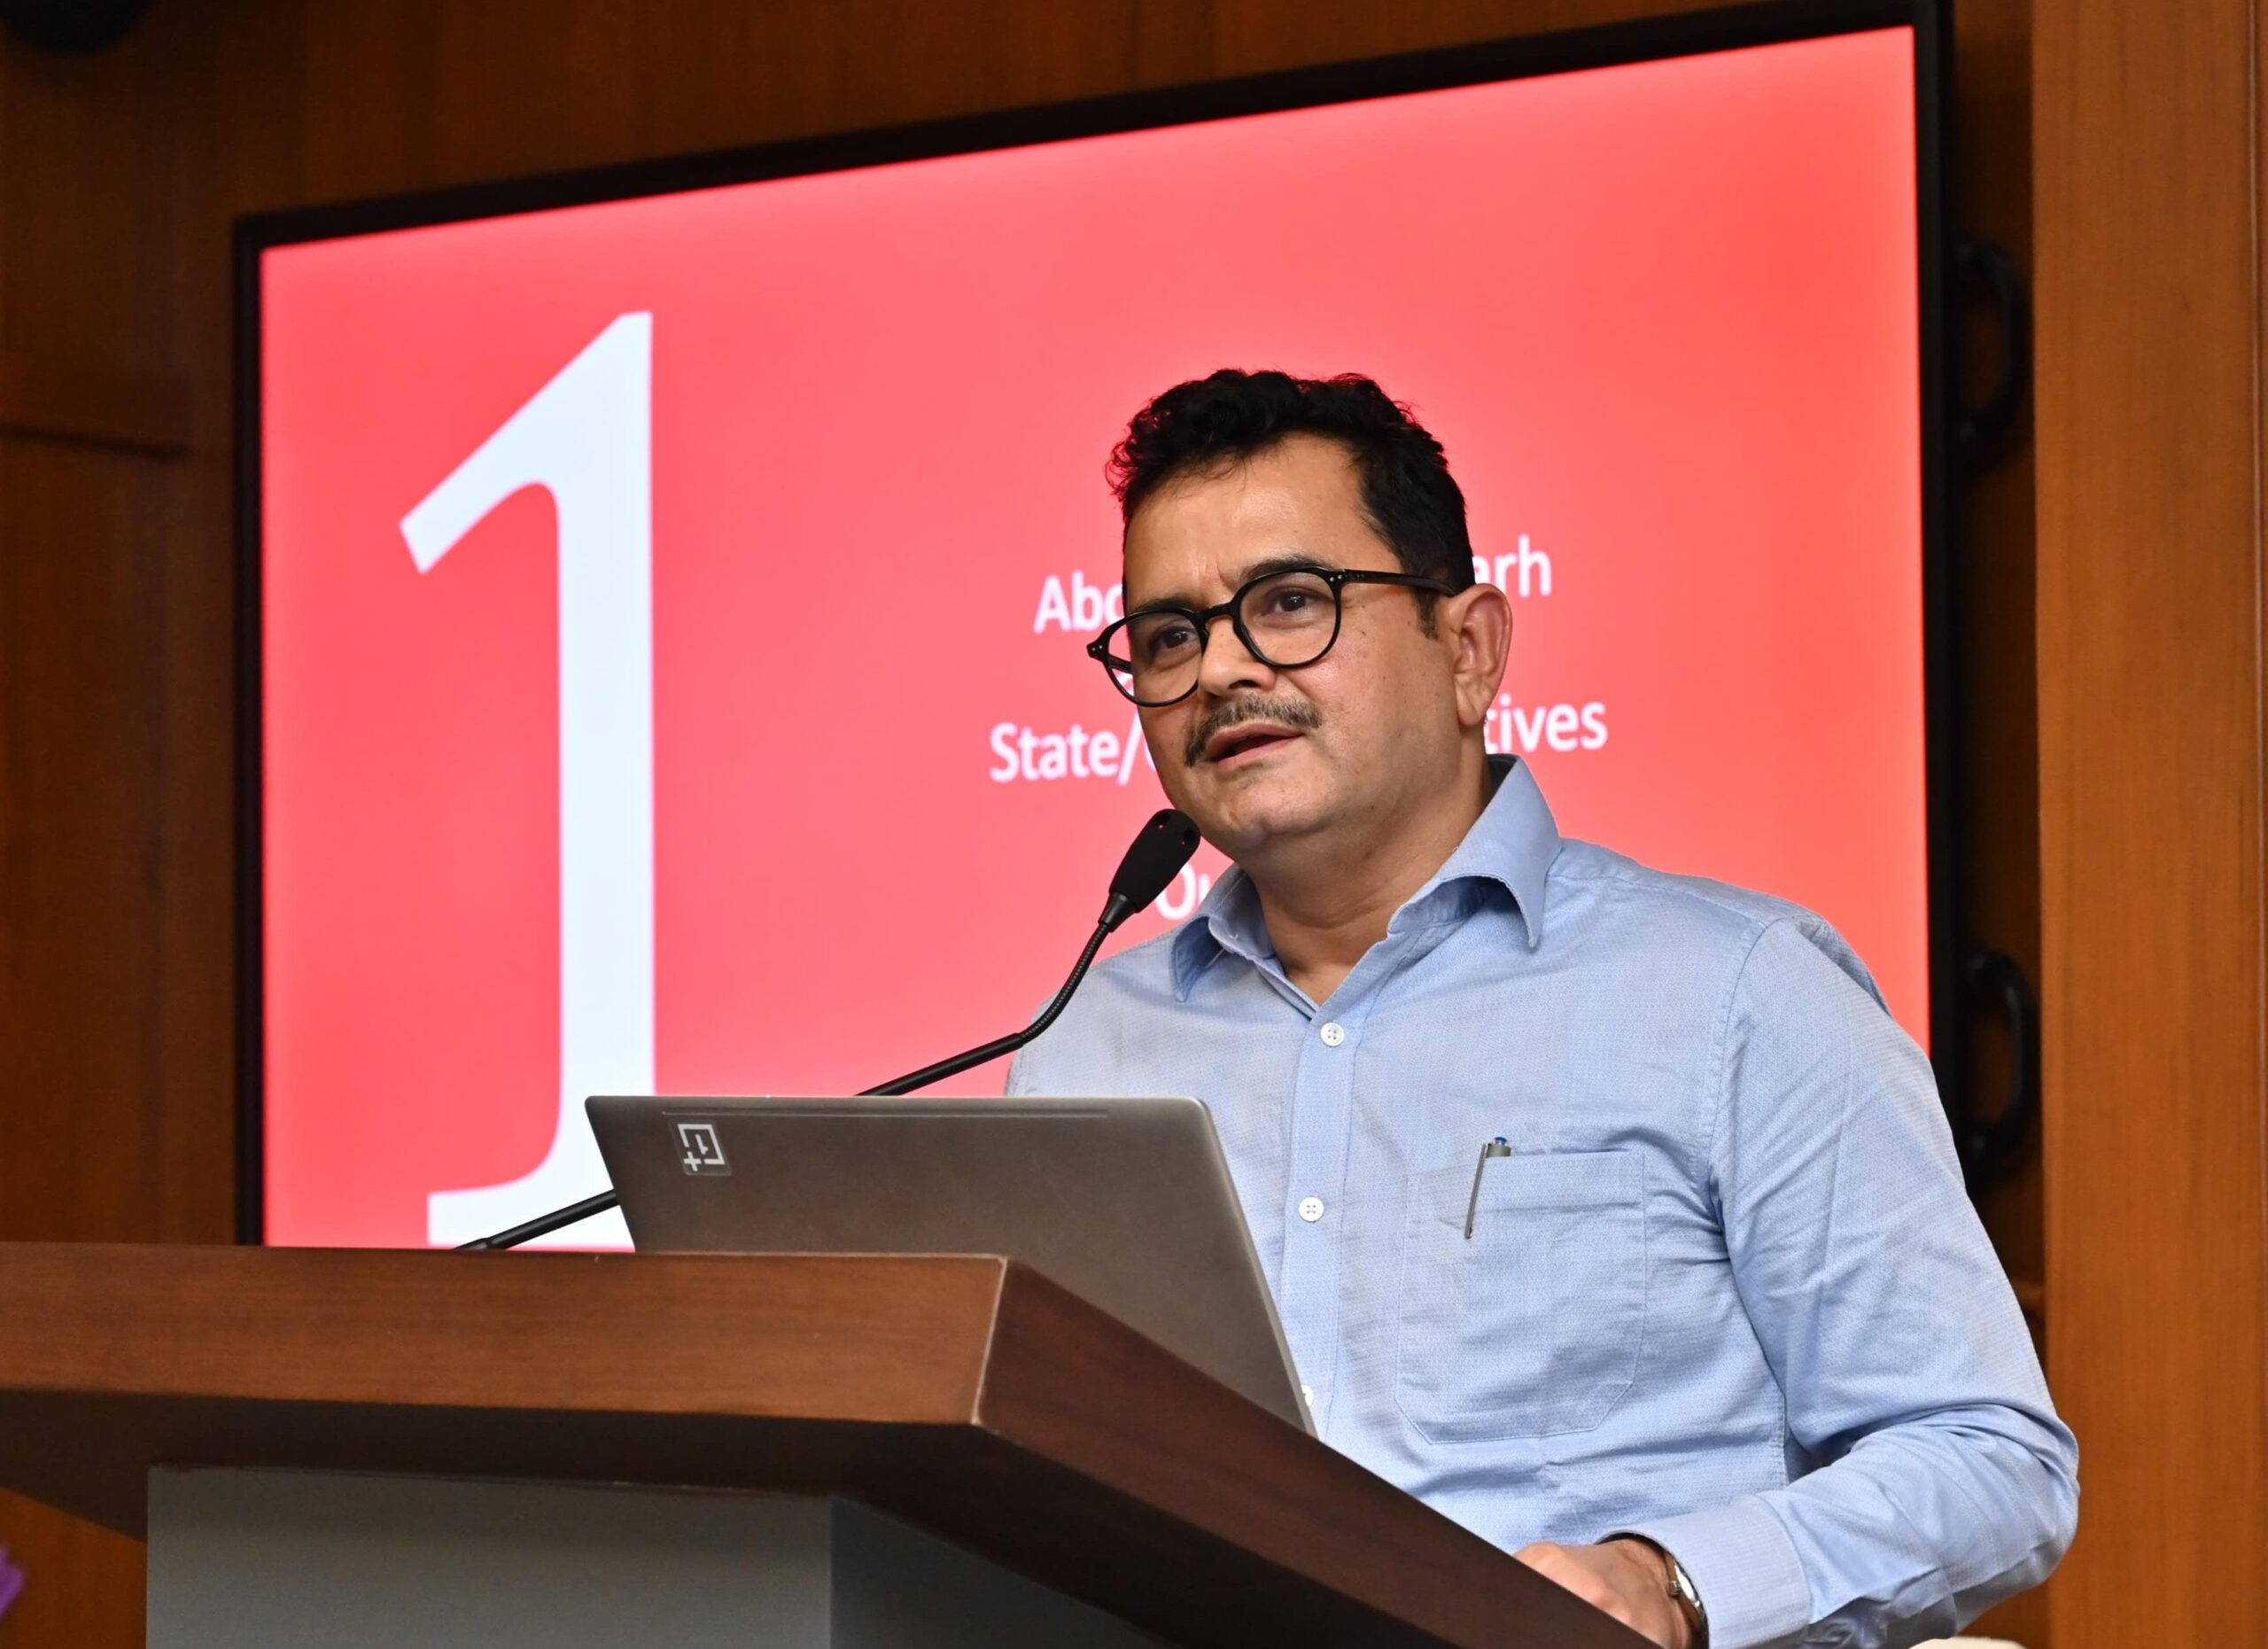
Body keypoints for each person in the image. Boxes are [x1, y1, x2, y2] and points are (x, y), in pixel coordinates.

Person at [1007, 369, 2077, 1648]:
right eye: (1169, 636)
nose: (1223, 667)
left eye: (1290, 602)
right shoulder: (1087, 1045)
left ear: (1468, 651)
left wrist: (1670, 1582)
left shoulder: (1739, 994)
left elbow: (1989, 1456)